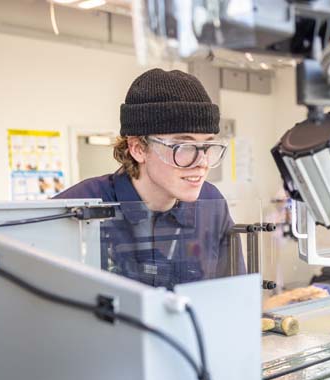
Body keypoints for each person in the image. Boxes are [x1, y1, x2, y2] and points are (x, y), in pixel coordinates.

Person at [56, 68, 243, 288]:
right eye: (184, 146)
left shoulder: (211, 203)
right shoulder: (76, 209)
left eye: (207, 145)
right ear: (138, 148)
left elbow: (232, 296)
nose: (202, 162)